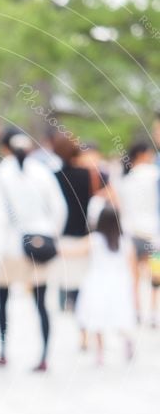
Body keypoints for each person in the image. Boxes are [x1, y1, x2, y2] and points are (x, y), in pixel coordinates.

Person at [0, 129, 67, 372]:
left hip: (9, 247)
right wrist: (50, 234)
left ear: (4, 147)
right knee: (41, 304)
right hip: (38, 245)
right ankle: (43, 355)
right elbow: (59, 208)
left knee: (2, 301)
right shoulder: (42, 172)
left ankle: (2, 351)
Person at [61, 207, 136, 365]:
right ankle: (127, 339)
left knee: (97, 318)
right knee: (120, 317)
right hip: (119, 283)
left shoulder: (95, 239)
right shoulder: (125, 242)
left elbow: (73, 251)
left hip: (97, 282)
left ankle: (100, 352)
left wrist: (49, 247)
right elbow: (132, 267)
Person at [116, 141, 160, 325]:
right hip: (154, 233)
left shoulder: (127, 179)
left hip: (131, 232)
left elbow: (122, 209)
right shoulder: (154, 175)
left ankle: (136, 312)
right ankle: (153, 312)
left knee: (134, 277)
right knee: (156, 276)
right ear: (143, 154)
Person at [51, 134, 93, 315]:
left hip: (62, 232)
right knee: (81, 276)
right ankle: (78, 305)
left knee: (64, 274)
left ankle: (64, 301)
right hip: (82, 233)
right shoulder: (86, 175)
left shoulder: (54, 177)